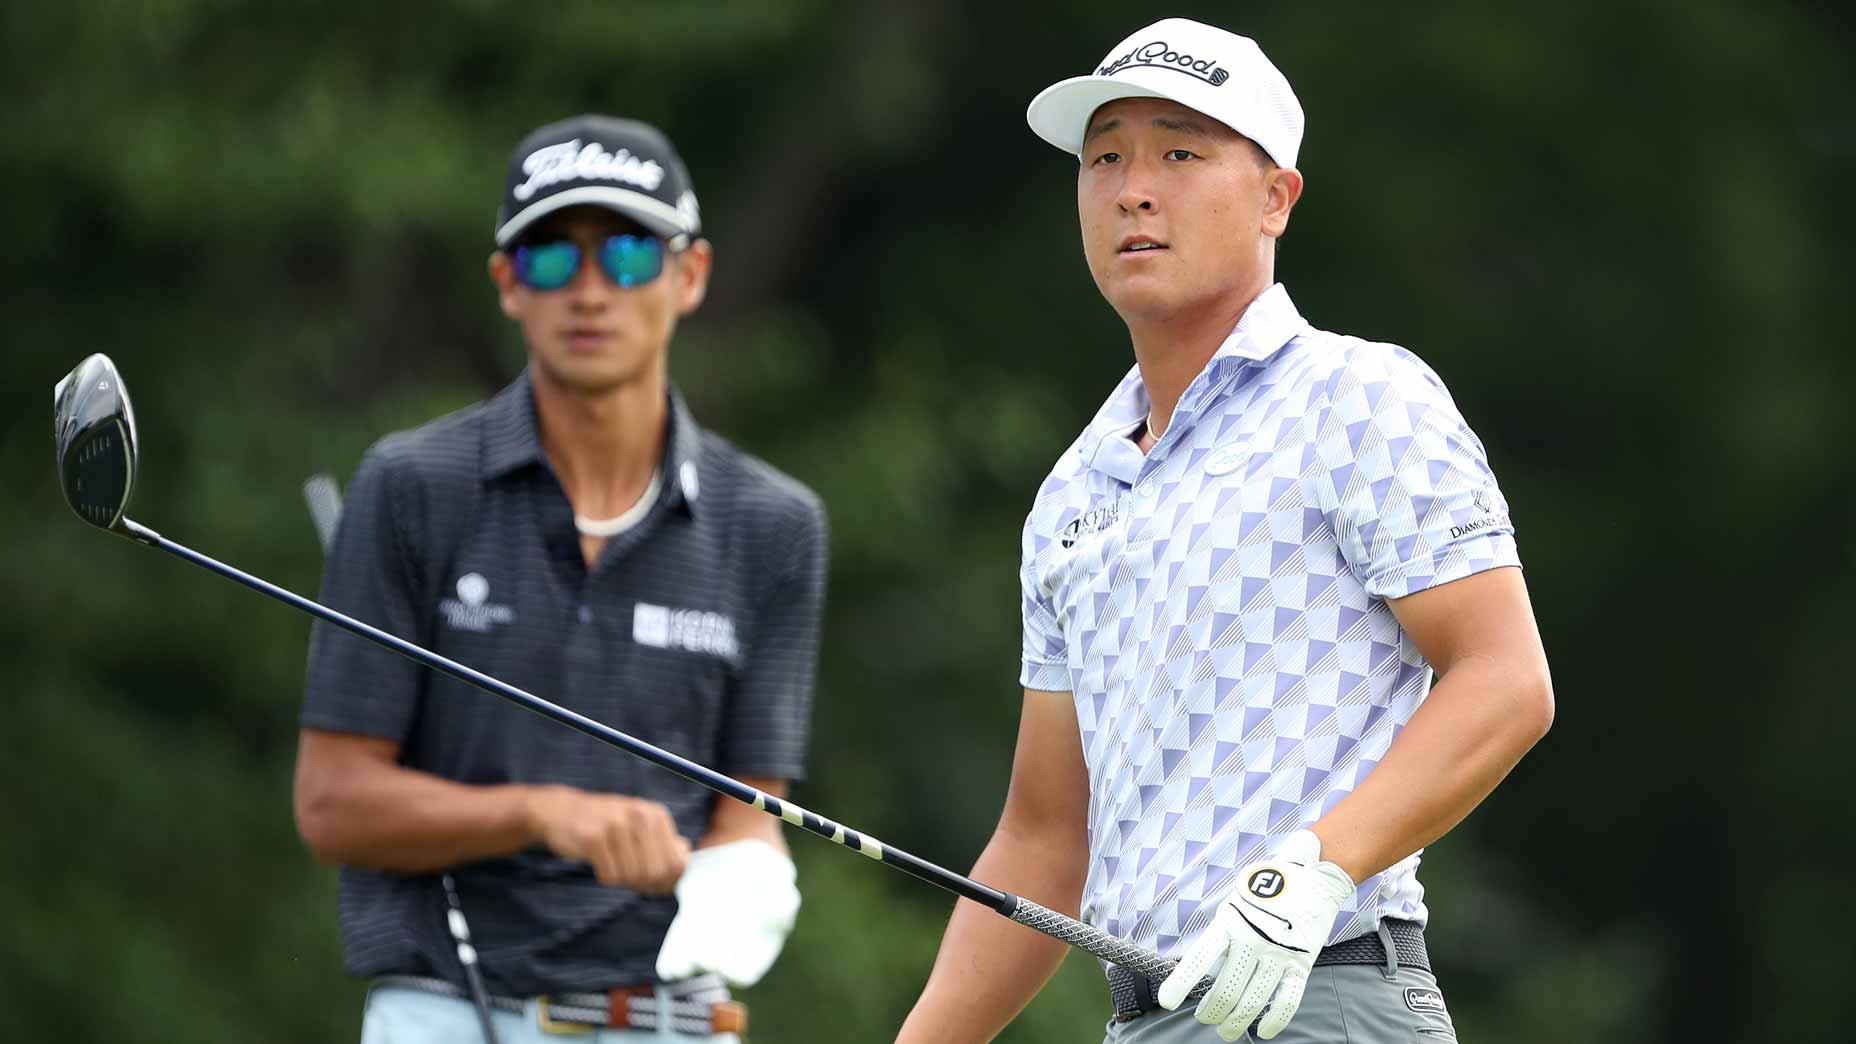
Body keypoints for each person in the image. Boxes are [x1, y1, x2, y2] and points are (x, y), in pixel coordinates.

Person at [897, 18, 1553, 1044]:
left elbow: (1504, 679)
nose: (1133, 189)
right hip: (1145, 1022)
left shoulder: (1357, 397)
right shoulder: (1073, 493)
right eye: (1104, 158)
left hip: (1324, 997)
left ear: (1274, 198)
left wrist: (1318, 867)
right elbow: (1044, 838)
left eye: (1179, 153)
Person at [295, 114, 829, 1043]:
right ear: (509, 283)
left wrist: (746, 881)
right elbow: (332, 803)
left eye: (628, 255)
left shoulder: (773, 524)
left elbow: (747, 814)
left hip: (669, 1020)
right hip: (443, 1015)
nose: (589, 291)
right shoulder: (414, 486)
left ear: (690, 275)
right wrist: (544, 814)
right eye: (550, 258)